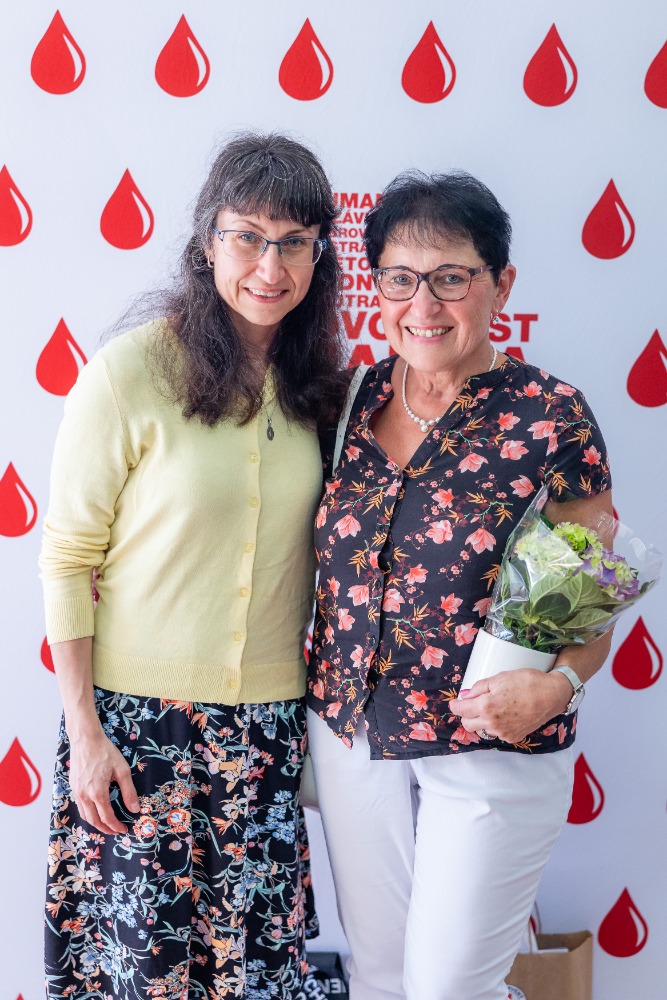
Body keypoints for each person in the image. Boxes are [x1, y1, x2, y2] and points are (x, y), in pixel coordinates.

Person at [39, 132, 345, 1000]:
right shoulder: (130, 373)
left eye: (293, 243)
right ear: (207, 240)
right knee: (147, 975)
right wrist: (86, 733)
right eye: (247, 237)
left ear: (318, 256)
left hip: (266, 732)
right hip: (139, 735)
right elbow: (66, 557)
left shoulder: (318, 387)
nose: (269, 266)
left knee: (254, 974)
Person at [307, 170, 612, 1000]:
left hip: (490, 740)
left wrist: (558, 687)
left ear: (499, 285)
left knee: (448, 987)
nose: (424, 305)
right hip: (353, 735)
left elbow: (590, 593)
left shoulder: (550, 416)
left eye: (451, 278)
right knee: (379, 977)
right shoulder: (351, 401)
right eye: (400, 279)